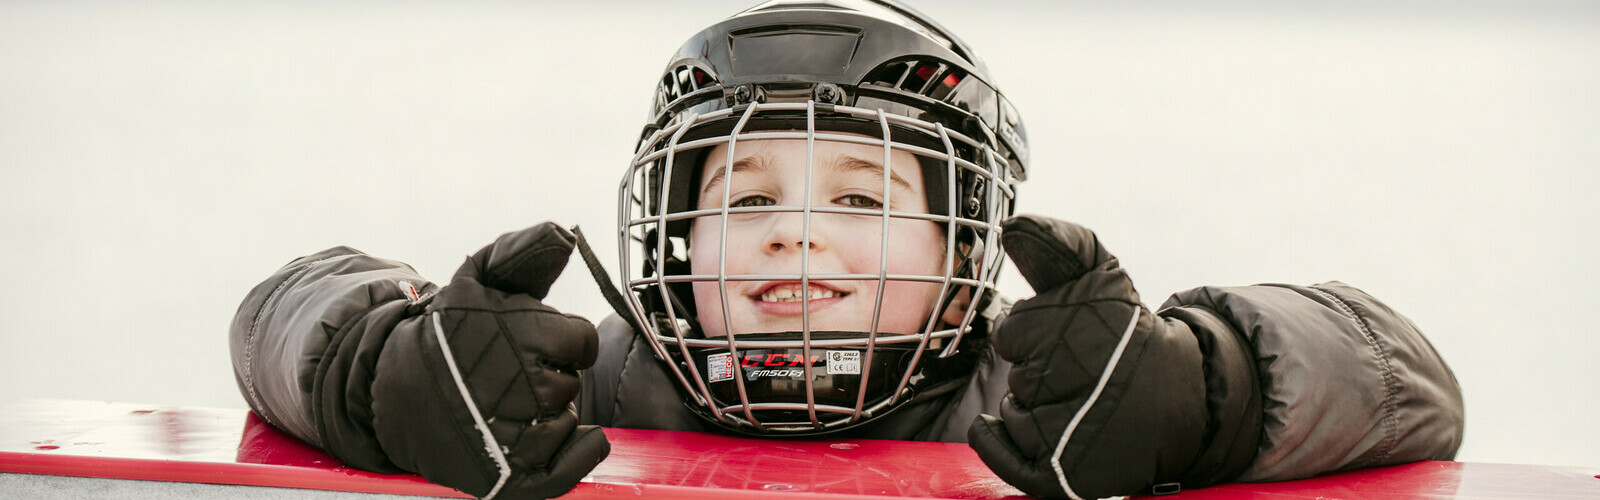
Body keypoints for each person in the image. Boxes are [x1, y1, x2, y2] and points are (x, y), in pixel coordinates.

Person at [228, 1, 1466, 499]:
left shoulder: (1059, 398)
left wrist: (1201, 388)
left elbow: (1408, 377)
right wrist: (387, 373)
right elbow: (281, 302)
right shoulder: (568, 386)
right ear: (674, 232)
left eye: (865, 196)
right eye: (745, 193)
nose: (798, 225)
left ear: (963, 241)